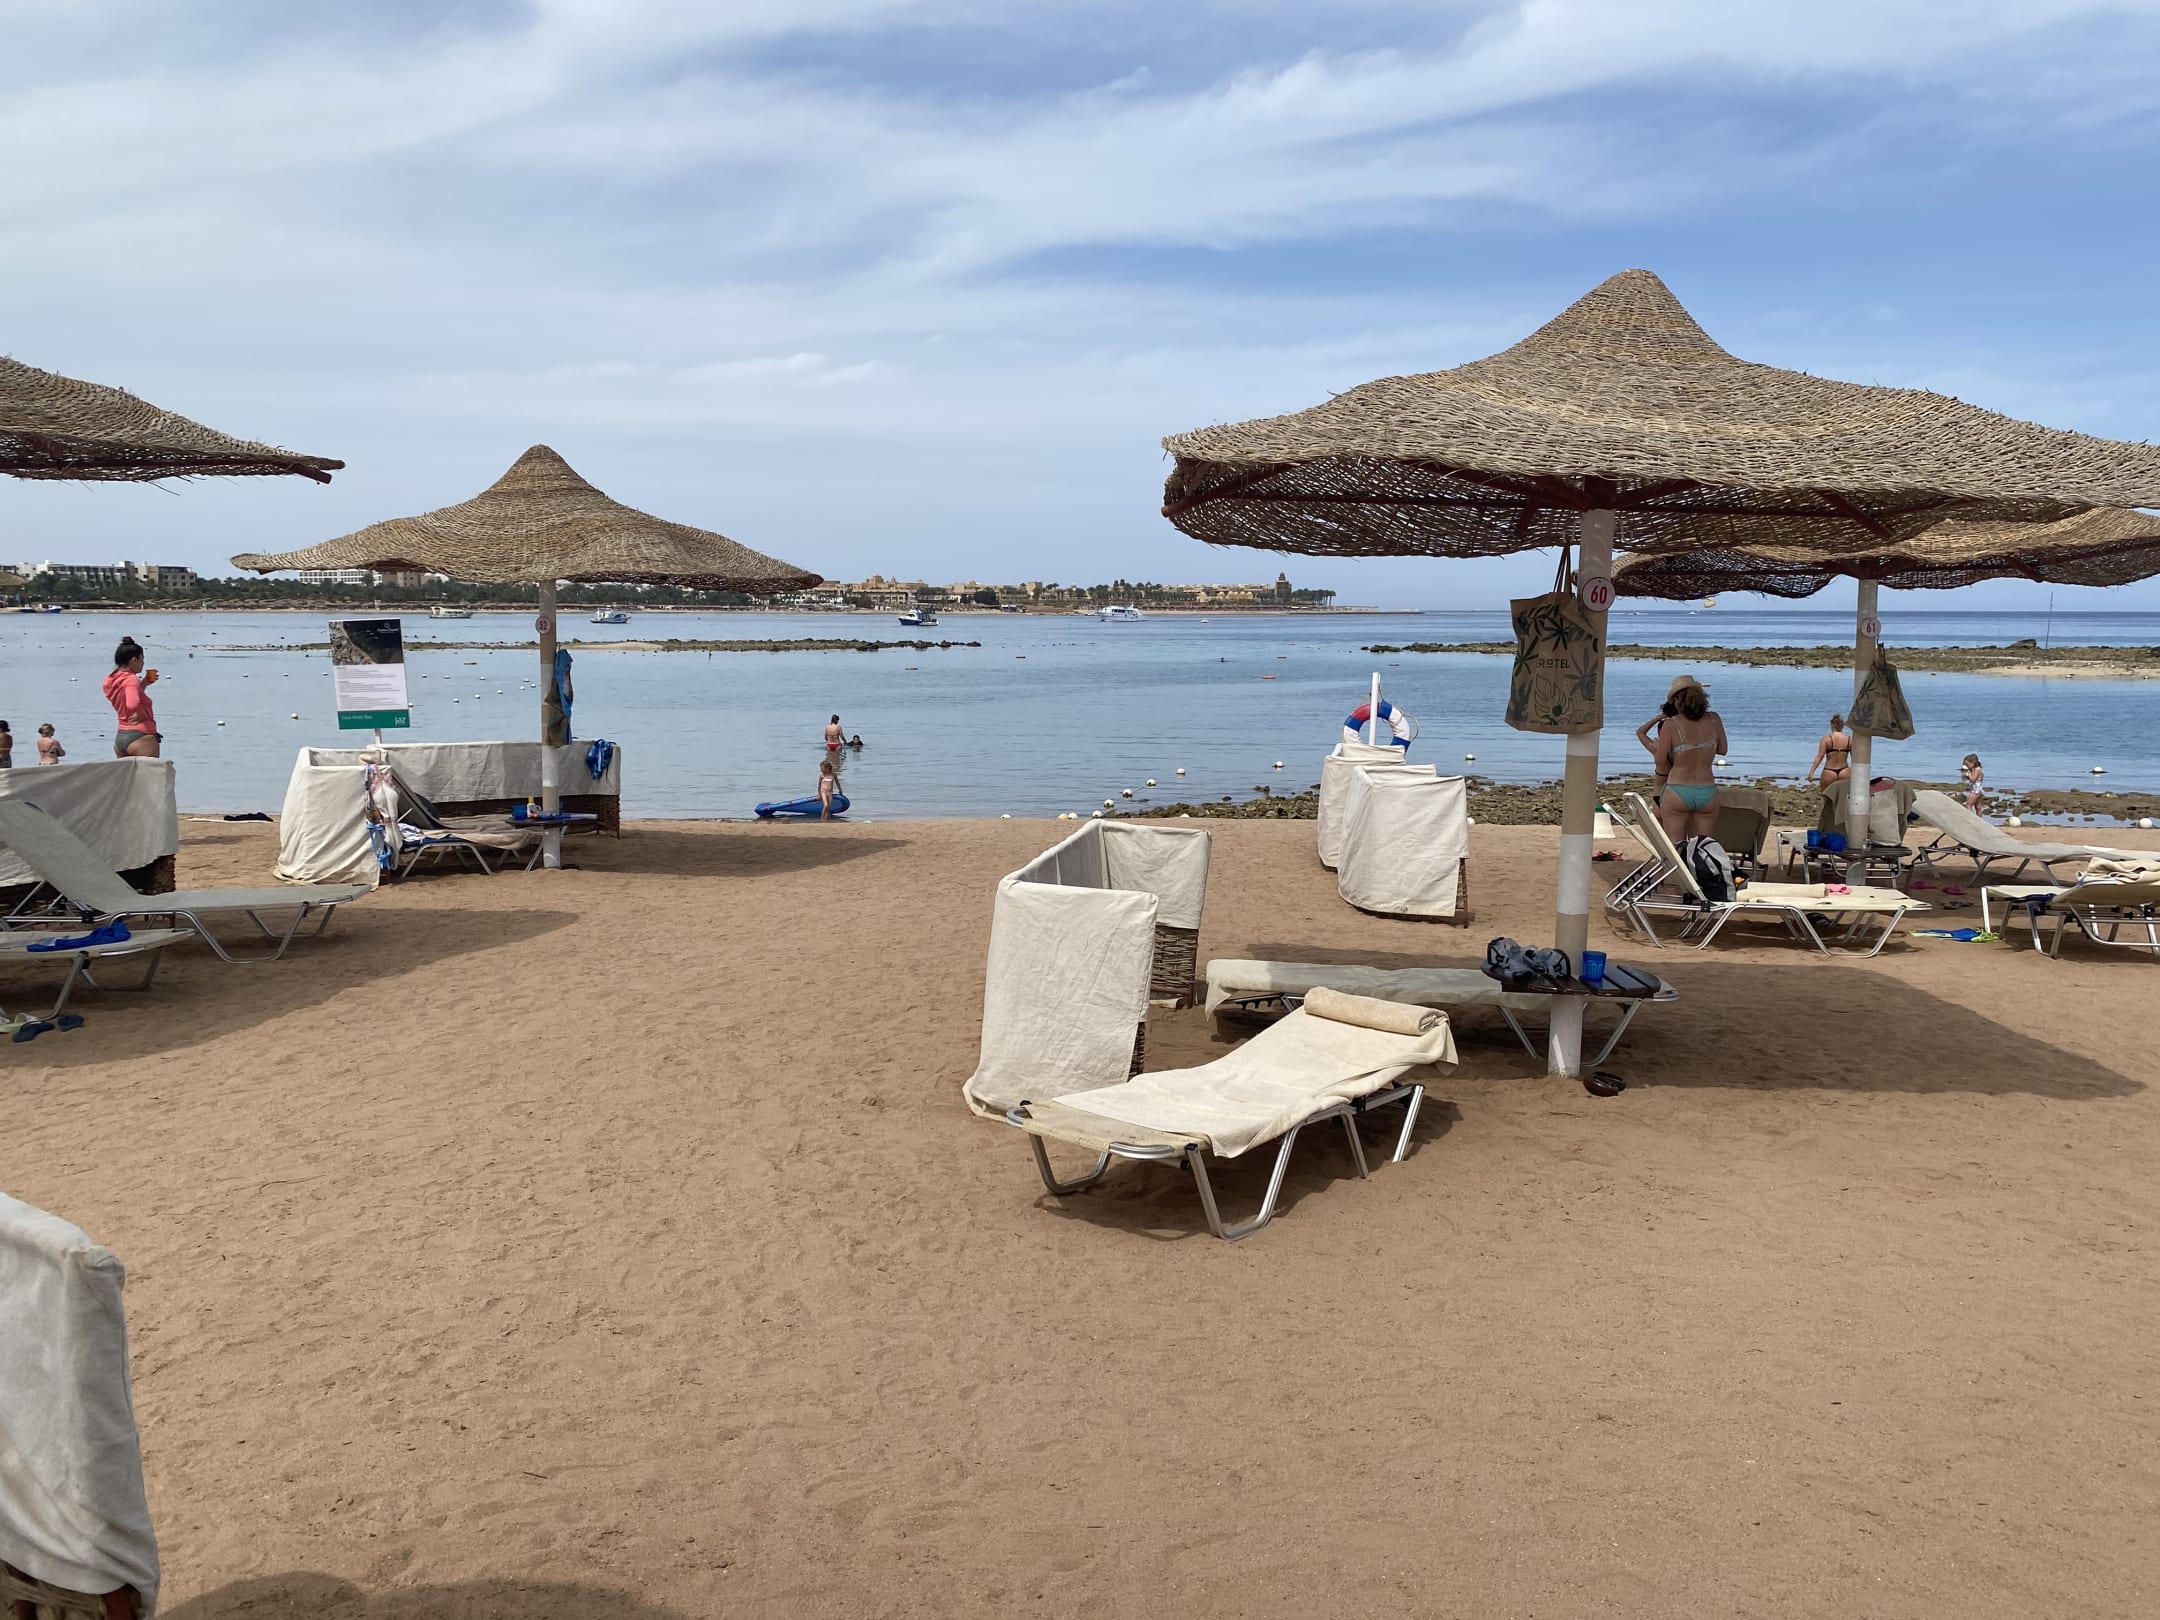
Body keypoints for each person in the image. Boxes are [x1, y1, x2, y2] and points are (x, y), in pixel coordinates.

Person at [1652, 675, 1726, 841]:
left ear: (1677, 700)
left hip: (1678, 789)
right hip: (1706, 789)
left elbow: (1660, 759)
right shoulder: (1714, 719)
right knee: (1702, 847)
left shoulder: (1671, 724)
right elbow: (1722, 750)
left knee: (1675, 847)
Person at [104, 637, 162, 757]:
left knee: (126, 770)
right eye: (142, 659)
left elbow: (124, 697)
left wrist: (143, 685)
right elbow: (132, 704)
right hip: (141, 736)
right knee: (150, 770)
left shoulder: (111, 679)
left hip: (121, 735)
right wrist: (142, 714)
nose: (143, 663)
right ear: (134, 660)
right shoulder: (131, 678)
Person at [1804, 712, 1853, 807]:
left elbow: (1820, 756)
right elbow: (1855, 758)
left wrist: (1811, 772)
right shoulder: (1849, 739)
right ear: (1842, 726)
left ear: (1832, 725)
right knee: (1844, 801)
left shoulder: (1826, 739)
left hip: (1829, 771)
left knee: (1827, 800)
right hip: (1845, 770)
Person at [817, 755, 841, 821]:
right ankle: (822, 819)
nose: (821, 770)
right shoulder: (822, 775)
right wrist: (819, 794)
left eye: (822, 768)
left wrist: (840, 790)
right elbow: (819, 785)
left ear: (827, 768)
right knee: (826, 805)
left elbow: (837, 783)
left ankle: (826, 819)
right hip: (823, 792)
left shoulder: (833, 775)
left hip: (830, 792)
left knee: (829, 807)